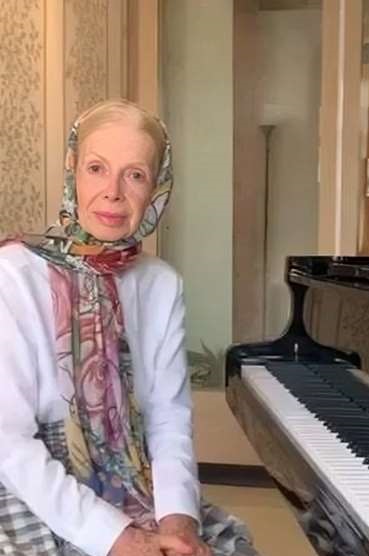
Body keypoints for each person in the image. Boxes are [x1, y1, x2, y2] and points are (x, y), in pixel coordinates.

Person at [0, 99, 257, 556]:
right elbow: (9, 442)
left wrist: (178, 522)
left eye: (135, 174)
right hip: (28, 488)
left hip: (129, 477)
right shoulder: (12, 274)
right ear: (72, 171)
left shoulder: (161, 283)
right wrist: (120, 538)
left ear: (156, 187)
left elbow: (168, 416)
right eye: (97, 168)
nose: (113, 192)